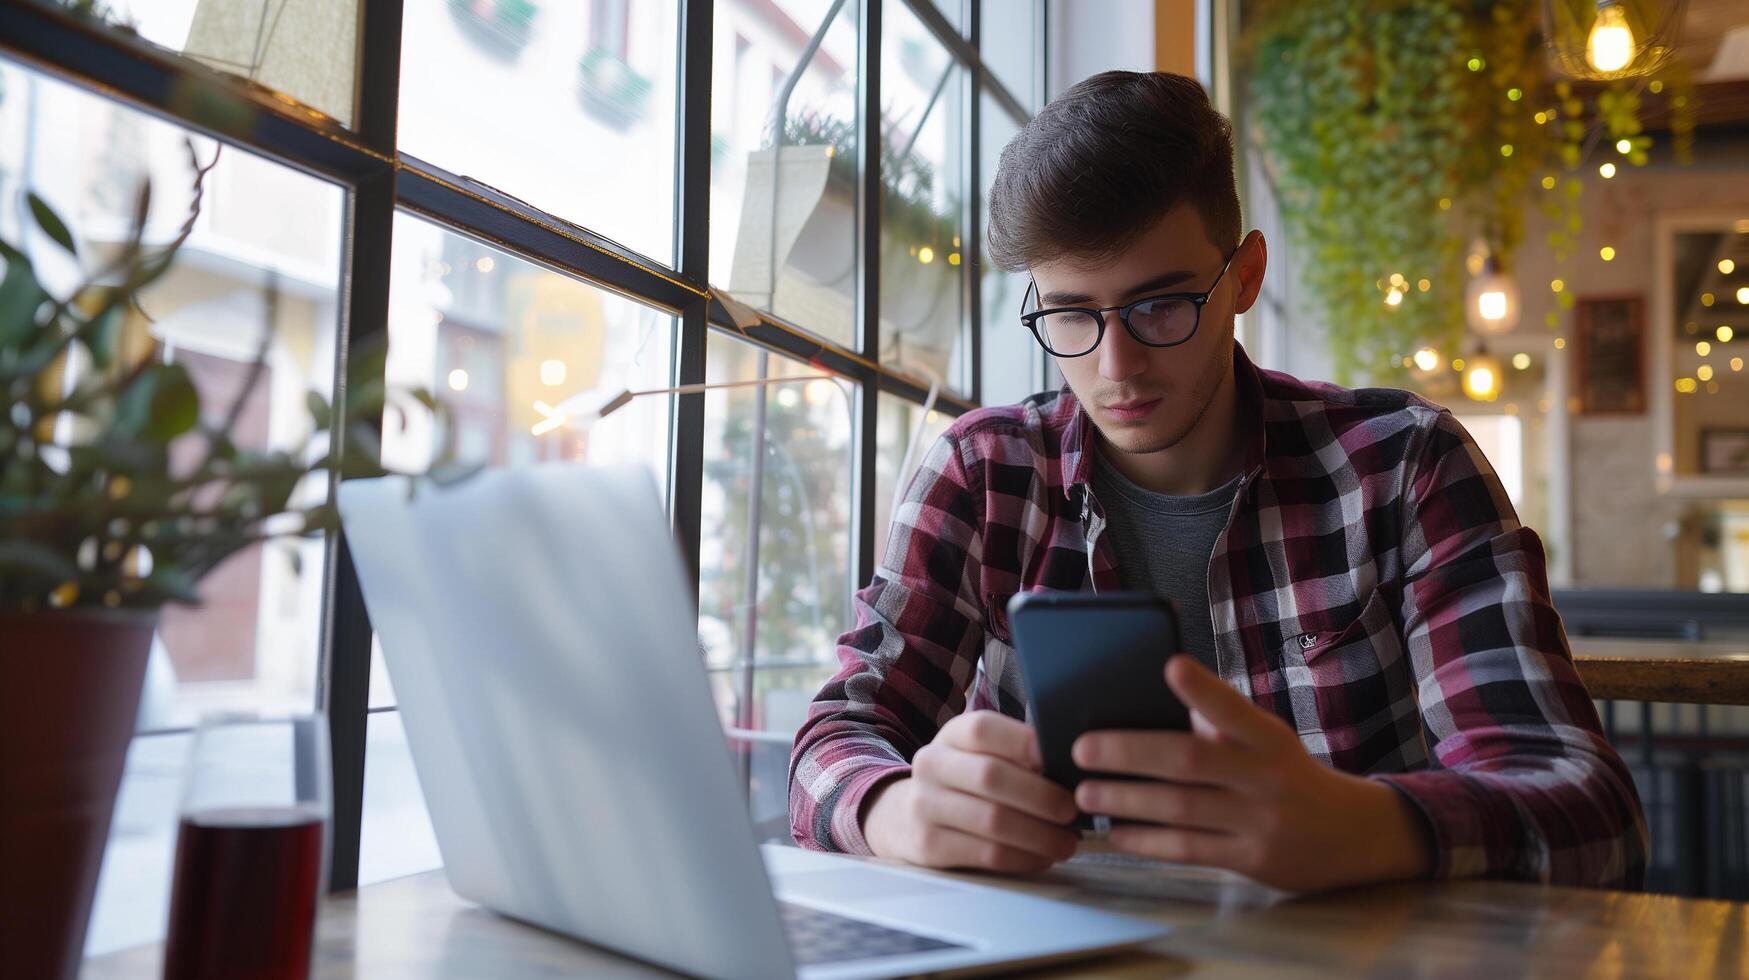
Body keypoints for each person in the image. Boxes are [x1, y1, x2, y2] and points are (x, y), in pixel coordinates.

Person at [788, 70, 1647, 892]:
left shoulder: (1404, 464)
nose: (1115, 364)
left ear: (1242, 277)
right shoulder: (983, 473)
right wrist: (895, 810)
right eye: (1070, 314)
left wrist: (1363, 827)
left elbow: (1592, 816)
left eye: (1160, 306)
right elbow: (839, 736)